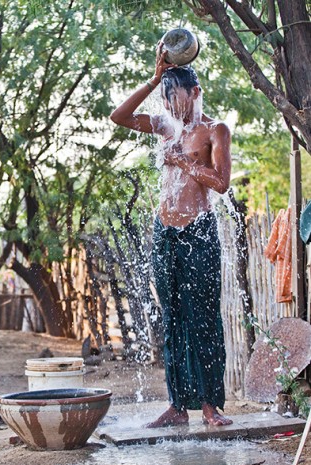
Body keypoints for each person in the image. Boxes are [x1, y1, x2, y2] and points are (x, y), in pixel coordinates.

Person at [110, 44, 233, 427]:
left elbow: (222, 183)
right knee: (173, 318)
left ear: (195, 93)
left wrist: (181, 159)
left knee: (204, 317)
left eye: (175, 96)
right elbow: (120, 116)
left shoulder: (215, 131)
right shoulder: (164, 126)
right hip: (164, 232)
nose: (170, 105)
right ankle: (178, 406)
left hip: (198, 232)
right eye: (165, 98)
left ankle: (212, 406)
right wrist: (154, 79)